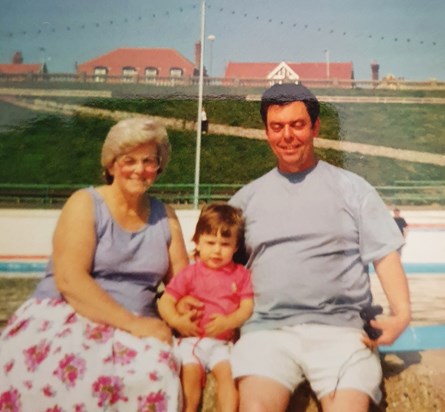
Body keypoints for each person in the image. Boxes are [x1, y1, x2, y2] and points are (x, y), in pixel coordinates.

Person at [226, 83, 411, 412]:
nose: (287, 136)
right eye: (277, 127)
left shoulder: (353, 189)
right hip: (268, 332)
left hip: (341, 332)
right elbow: (220, 267)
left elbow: (385, 255)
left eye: (297, 125)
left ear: (315, 127)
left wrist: (402, 315)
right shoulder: (245, 200)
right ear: (266, 131)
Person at [0, 117, 189, 411]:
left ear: (159, 166)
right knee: (70, 372)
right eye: (129, 160)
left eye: (148, 161)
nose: (139, 169)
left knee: (156, 370)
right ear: (112, 164)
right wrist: (134, 324)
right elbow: (70, 280)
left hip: (136, 326)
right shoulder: (85, 203)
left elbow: (184, 284)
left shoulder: (165, 216)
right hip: (71, 315)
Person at [158, 202, 254, 412]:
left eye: (225, 244)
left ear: (236, 246)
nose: (217, 250)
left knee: (229, 378)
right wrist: (176, 321)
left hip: (222, 344)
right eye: (210, 242)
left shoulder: (241, 274)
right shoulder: (190, 273)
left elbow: (247, 306)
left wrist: (229, 321)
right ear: (197, 242)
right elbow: (166, 301)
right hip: (192, 341)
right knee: (190, 379)